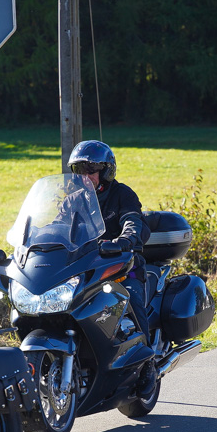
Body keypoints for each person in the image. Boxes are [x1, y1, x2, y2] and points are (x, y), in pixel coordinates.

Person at [67, 140, 157, 398]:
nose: (85, 176)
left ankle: (148, 363)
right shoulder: (72, 202)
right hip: (86, 269)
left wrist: (126, 239)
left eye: (90, 169)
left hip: (121, 266)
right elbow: (55, 226)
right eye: (80, 170)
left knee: (131, 298)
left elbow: (132, 220)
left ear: (106, 171)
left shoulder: (122, 195)